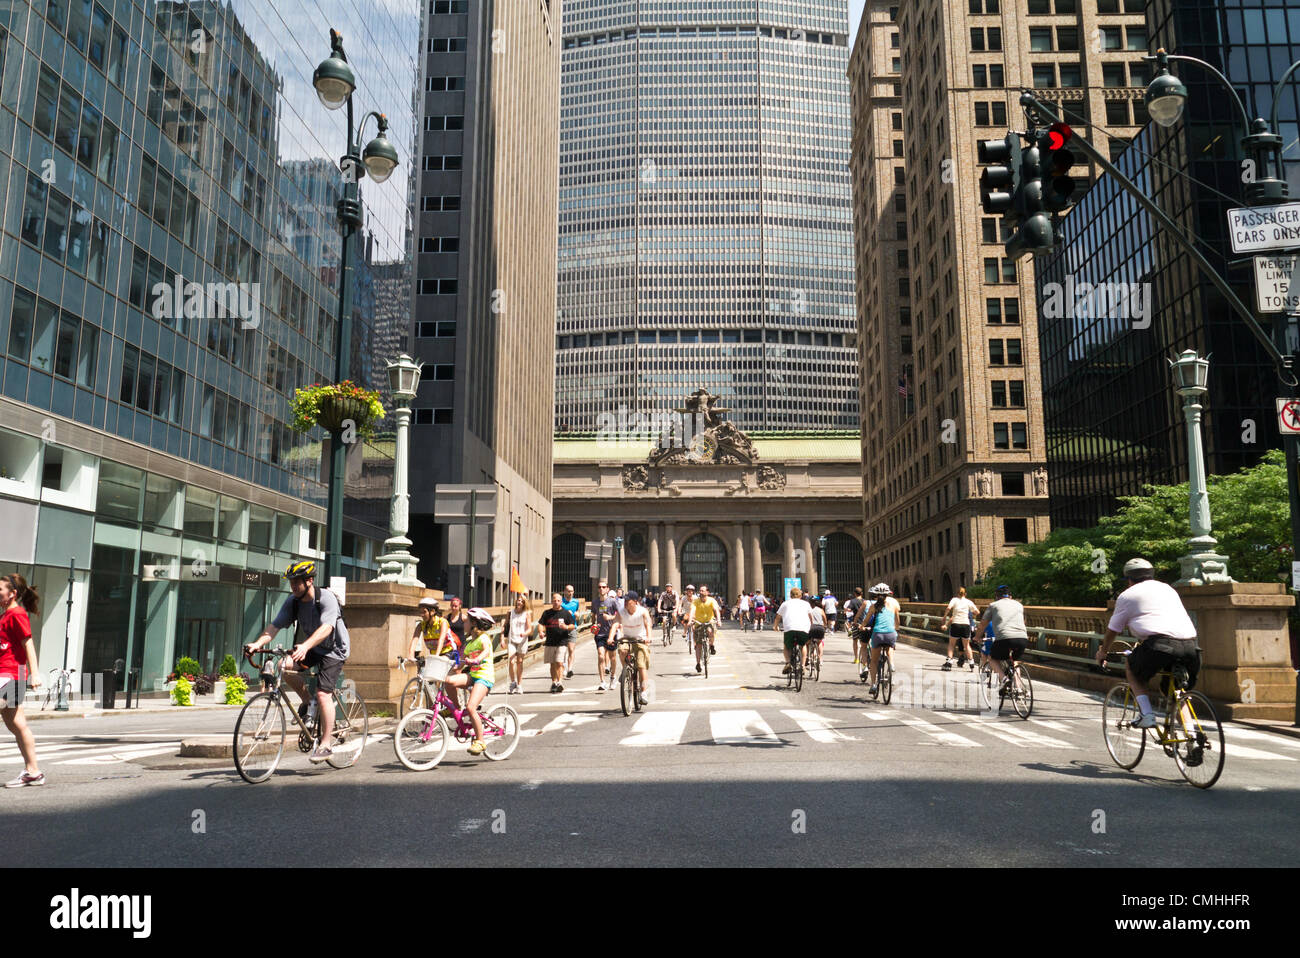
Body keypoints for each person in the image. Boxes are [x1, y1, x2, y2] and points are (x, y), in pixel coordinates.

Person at [246, 560, 350, 764]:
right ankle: (307, 701)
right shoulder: (293, 602)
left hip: (335, 649)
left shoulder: (326, 598)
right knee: (283, 667)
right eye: (291, 582)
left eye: (297, 582)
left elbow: (327, 628)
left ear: (309, 581)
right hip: (313, 647)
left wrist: (305, 646)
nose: (293, 586)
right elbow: (274, 627)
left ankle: (326, 744)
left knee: (323, 693)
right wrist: (257, 643)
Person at [1094, 558, 1199, 728]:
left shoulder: (1127, 595)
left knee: (1132, 668)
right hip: (1190, 646)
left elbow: (1113, 630)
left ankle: (1147, 715)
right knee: (1176, 692)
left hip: (1159, 646)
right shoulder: (1168, 589)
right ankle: (1192, 736)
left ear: (1129, 579)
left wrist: (1103, 652)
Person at [1, 574, 43, 787]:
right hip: (6, 675)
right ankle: (33, 771)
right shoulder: (5, 615)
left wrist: (35, 673)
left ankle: (33, 770)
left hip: (10, 675)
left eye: (0, 589)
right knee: (16, 724)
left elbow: (28, 644)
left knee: (17, 725)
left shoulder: (17, 614)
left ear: (12, 593)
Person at [441, 608, 499, 755]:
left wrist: (477, 659)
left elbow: (486, 650)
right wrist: (449, 666)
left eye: (466, 621)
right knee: (448, 681)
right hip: (473, 675)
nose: (463, 623)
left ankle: (480, 741)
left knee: (471, 707)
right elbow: (459, 665)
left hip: (484, 677)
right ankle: (454, 707)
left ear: (474, 623)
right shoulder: (468, 642)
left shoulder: (483, 638)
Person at [973, 585, 1029, 695]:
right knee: (1014, 661)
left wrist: (977, 637)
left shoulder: (993, 605)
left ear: (997, 596)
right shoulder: (1019, 605)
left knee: (992, 659)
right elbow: (1023, 621)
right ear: (1010, 596)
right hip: (1022, 638)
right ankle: (1018, 688)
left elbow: (983, 624)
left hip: (1004, 638)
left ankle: (1004, 679)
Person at [609, 591, 653, 705]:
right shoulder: (621, 612)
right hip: (627, 637)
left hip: (640, 639)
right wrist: (610, 638)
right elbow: (615, 624)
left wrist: (648, 637)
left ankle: (643, 693)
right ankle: (625, 671)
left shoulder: (642, 611)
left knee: (641, 666)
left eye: (628, 601)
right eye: (625, 601)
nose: (625, 603)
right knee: (622, 650)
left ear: (635, 602)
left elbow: (648, 624)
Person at [863, 583, 901, 695]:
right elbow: (897, 622)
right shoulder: (893, 606)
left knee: (874, 661)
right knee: (890, 646)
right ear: (887, 594)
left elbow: (865, 621)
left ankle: (874, 684)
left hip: (878, 634)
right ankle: (891, 664)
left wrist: (862, 626)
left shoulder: (873, 607)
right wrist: (896, 629)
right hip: (890, 634)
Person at [539, 593, 576, 693]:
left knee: (559, 662)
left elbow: (573, 625)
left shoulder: (565, 613)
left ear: (561, 602)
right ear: (552, 601)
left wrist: (566, 627)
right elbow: (541, 624)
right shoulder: (547, 613)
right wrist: (541, 632)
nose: (556, 602)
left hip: (562, 641)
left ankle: (560, 682)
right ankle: (554, 682)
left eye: (558, 601)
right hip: (550, 642)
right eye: (554, 600)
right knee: (552, 664)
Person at [775, 587, 814, 675]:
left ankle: (788, 663)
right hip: (803, 628)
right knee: (803, 645)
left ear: (790, 595)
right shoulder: (806, 604)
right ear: (801, 595)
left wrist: (775, 626)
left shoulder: (785, 603)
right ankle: (803, 666)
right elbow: (810, 617)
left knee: (786, 646)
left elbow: (778, 616)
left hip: (789, 628)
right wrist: (811, 625)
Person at [940, 587, 981, 671]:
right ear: (965, 594)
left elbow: (948, 608)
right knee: (967, 645)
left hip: (956, 624)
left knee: (951, 644)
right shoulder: (968, 602)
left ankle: (949, 663)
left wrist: (944, 617)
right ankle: (971, 663)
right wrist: (971, 614)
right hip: (966, 625)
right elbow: (977, 612)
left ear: (957, 593)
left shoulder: (954, 600)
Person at [592, 580, 620, 690]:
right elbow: (593, 615)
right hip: (600, 633)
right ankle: (602, 681)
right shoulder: (595, 602)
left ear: (607, 589)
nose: (601, 589)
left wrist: (610, 618)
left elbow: (619, 615)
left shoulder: (612, 602)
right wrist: (593, 625)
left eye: (603, 587)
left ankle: (613, 677)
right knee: (600, 655)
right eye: (599, 587)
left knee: (613, 657)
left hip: (611, 633)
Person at [687, 585, 722, 672]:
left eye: (703, 591)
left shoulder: (711, 600)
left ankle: (711, 645)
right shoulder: (696, 601)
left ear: (707, 592)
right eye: (700, 591)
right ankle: (698, 664)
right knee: (698, 645)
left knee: (710, 631)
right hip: (699, 623)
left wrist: (719, 620)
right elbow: (692, 611)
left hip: (709, 621)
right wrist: (690, 620)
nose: (701, 592)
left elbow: (716, 610)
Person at [506, 595, 532, 694]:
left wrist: (524, 633)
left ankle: (519, 684)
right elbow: (505, 626)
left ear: (524, 603)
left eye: (521, 601)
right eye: (518, 600)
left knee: (519, 662)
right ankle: (513, 682)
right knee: (511, 661)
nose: (519, 602)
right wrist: (501, 638)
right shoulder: (510, 612)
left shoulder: (526, 614)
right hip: (511, 640)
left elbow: (529, 628)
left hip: (522, 640)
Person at [561, 585, 580, 681]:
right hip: (563, 628)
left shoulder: (576, 602)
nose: (570, 593)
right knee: (563, 650)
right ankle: (563, 668)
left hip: (573, 627)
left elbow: (577, 613)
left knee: (571, 649)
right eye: (568, 591)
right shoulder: (560, 602)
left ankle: (570, 669)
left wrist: (577, 615)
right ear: (564, 591)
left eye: (572, 591)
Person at [845, 587, 867, 665]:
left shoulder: (853, 601)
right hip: (864, 622)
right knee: (863, 642)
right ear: (862, 593)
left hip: (856, 622)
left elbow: (849, 609)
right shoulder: (865, 601)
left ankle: (856, 658)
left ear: (855, 593)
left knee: (855, 640)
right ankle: (863, 657)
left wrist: (846, 610)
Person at [808, 594, 827, 660]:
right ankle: (820, 658)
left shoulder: (808, 610)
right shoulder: (821, 610)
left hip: (811, 628)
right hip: (820, 628)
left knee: (807, 643)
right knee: (819, 642)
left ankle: (808, 657)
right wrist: (825, 626)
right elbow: (824, 619)